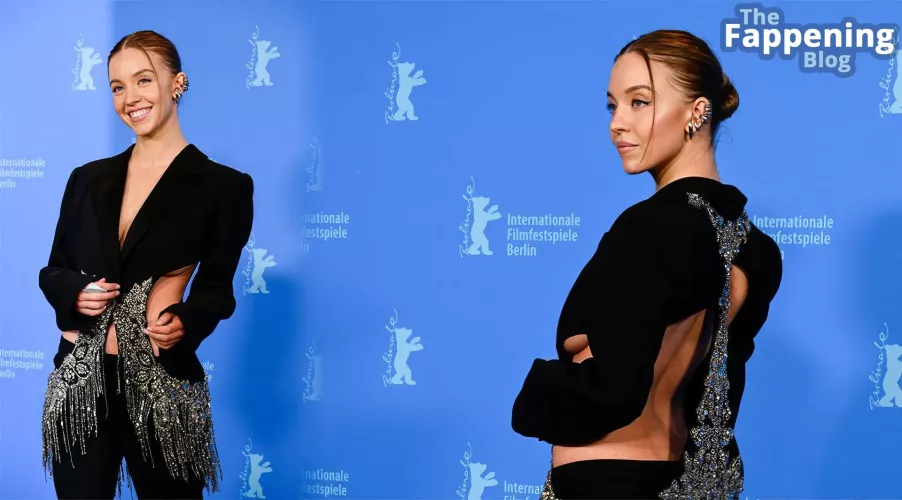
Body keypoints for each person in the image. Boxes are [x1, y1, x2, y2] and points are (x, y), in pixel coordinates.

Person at [510, 30, 783, 499]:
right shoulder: (753, 247)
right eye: (612, 106)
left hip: (607, 480)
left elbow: (614, 389)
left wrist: (536, 395)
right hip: (688, 478)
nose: (617, 123)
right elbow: (718, 386)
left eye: (640, 102)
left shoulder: (650, 226)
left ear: (698, 111)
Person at [38, 30, 254, 499]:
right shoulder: (87, 179)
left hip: (160, 383)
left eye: (143, 80)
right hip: (80, 384)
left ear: (177, 83)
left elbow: (217, 290)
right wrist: (74, 293)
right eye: (118, 86)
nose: (130, 98)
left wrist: (186, 321)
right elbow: (53, 270)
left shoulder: (223, 187)